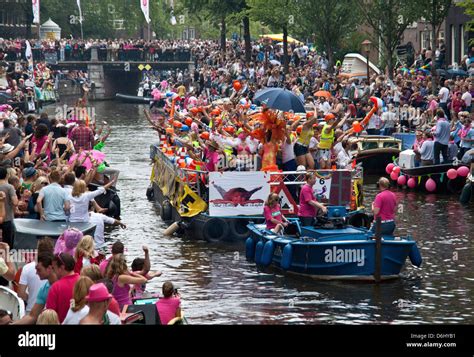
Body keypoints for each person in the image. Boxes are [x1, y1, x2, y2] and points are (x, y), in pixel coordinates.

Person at [13, 252, 58, 325]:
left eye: (39, 269)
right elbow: (32, 316)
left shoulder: (62, 285)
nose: (36, 273)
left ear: (49, 268)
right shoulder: (44, 288)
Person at [17, 238, 54, 314]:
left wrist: (30, 298)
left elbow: (20, 293)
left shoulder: (27, 268)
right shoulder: (57, 268)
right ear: (52, 250)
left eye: (39, 270)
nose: (37, 273)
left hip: (31, 310)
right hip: (51, 313)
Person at [45, 253, 80, 323]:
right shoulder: (84, 282)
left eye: (54, 268)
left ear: (62, 268)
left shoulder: (56, 287)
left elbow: (49, 317)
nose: (53, 271)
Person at [0, 167, 18, 248]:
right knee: (8, 244)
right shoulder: (9, 187)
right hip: (8, 218)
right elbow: (15, 202)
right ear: (7, 175)